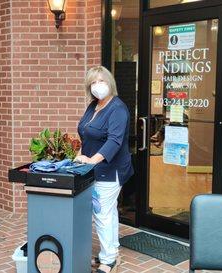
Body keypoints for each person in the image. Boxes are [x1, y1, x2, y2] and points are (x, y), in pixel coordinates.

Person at [75, 66, 134, 273]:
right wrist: (81, 154)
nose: (97, 85)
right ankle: (111, 252)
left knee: (101, 213)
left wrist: (92, 160)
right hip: (94, 168)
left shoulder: (117, 108)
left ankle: (108, 260)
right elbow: (86, 133)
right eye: (93, 82)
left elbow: (114, 141)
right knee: (108, 212)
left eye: (102, 81)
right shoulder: (93, 106)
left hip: (110, 170)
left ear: (110, 83)